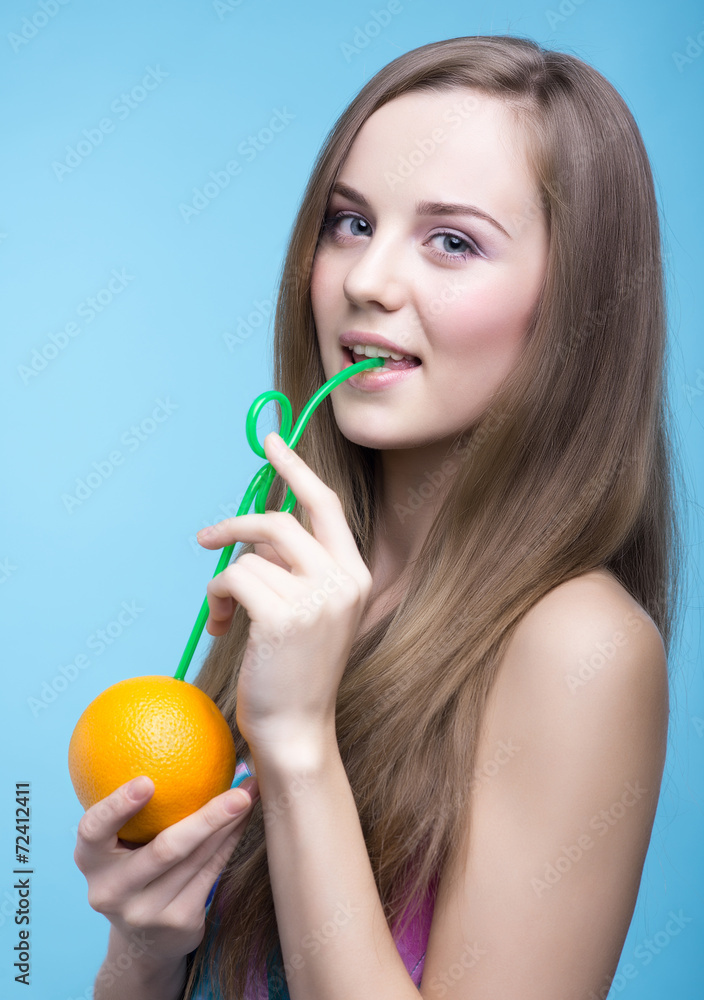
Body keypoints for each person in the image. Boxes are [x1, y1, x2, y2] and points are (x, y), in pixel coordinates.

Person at [73, 33, 683, 1000]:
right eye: (350, 223)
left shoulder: (581, 648)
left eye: (452, 241)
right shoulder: (304, 590)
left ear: (575, 305)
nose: (367, 281)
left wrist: (301, 744)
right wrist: (142, 951)